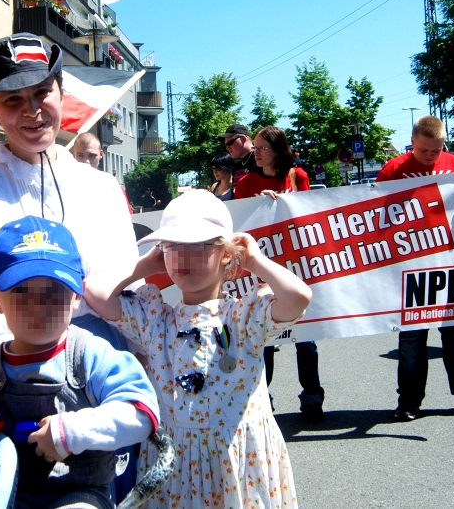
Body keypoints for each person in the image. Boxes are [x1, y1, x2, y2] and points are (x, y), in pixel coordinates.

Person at [85, 189, 312, 508]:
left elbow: (298, 298)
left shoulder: (244, 317)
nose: (181, 258)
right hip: (175, 465)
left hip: (236, 459)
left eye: (197, 247)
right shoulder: (156, 319)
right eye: (172, 248)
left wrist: (256, 261)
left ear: (226, 254)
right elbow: (95, 293)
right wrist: (145, 265)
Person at [0, 216, 160, 509]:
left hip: (79, 493)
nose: (38, 306)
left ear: (77, 294)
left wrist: (73, 431)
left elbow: (143, 413)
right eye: (21, 292)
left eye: (54, 291)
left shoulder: (91, 357)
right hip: (2, 495)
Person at [0, 33, 138, 365]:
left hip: (99, 359)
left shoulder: (102, 187)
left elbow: (127, 280)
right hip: (6, 359)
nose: (32, 111)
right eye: (12, 100)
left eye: (42, 93)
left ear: (62, 95)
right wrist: (15, 372)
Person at [376, 115, 454, 421]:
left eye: (436, 150)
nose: (431, 156)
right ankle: (410, 401)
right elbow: (374, 217)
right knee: (412, 336)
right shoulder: (393, 170)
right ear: (412, 141)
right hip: (411, 266)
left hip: (451, 263)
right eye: (426, 150)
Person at [231, 125, 326, 423]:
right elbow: (242, 222)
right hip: (264, 272)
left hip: (296, 268)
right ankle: (262, 400)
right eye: (255, 147)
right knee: (265, 341)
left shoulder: (298, 177)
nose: (256, 153)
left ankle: (312, 397)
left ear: (279, 150)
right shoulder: (245, 183)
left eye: (263, 148)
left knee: (305, 338)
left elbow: (308, 216)